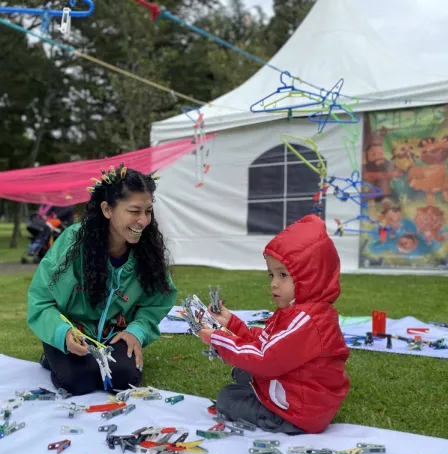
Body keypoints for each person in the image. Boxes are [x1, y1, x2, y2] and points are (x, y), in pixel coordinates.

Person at [27, 164, 177, 396]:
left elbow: (157, 303)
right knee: (78, 381)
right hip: (71, 332)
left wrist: (136, 331)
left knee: (123, 380)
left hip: (113, 335)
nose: (144, 221)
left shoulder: (148, 252)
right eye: (134, 211)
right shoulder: (72, 243)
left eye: (148, 211)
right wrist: (62, 333)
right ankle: (51, 354)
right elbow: (41, 299)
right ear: (107, 209)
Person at [199, 215, 350, 435]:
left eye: (283, 275)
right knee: (243, 370)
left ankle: (275, 418)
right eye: (271, 275)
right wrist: (231, 322)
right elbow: (266, 340)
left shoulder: (306, 319)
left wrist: (218, 339)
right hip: (307, 391)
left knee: (227, 397)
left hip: (300, 412)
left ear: (311, 275)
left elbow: (266, 358)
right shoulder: (301, 311)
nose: (274, 284)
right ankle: (263, 392)